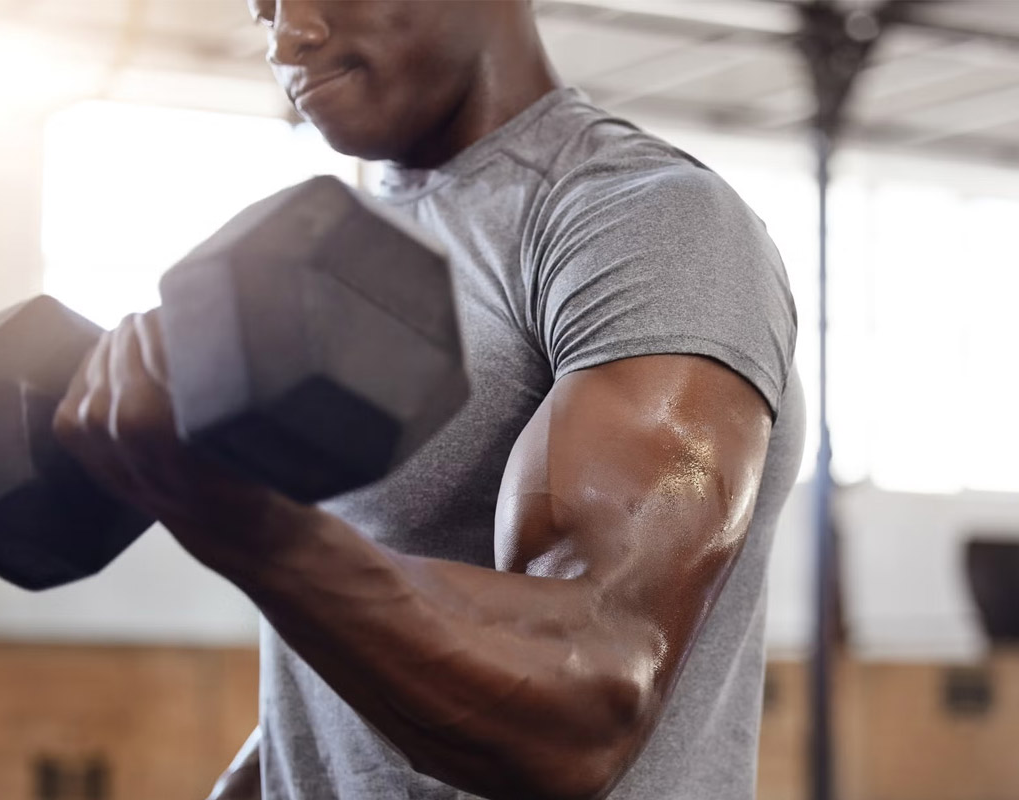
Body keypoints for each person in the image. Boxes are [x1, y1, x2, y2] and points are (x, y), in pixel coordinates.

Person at [52, 1, 806, 798]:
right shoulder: (346, 253)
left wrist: (249, 532)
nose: (288, 36)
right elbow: (337, 693)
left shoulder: (637, 220)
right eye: (263, 4)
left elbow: (590, 702)